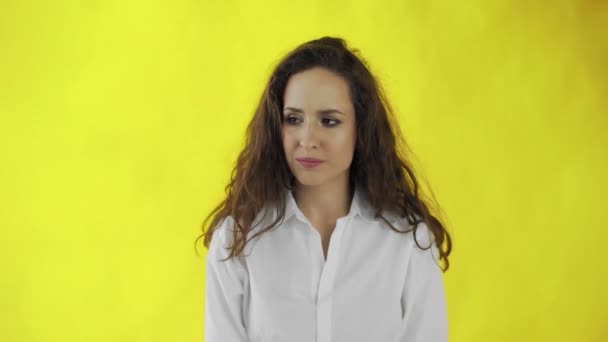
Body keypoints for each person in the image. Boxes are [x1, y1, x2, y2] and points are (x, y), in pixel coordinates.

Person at [197, 36, 453, 342]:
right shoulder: (237, 240)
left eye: (329, 121)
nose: (307, 139)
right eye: (293, 119)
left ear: (361, 130)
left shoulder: (406, 240)